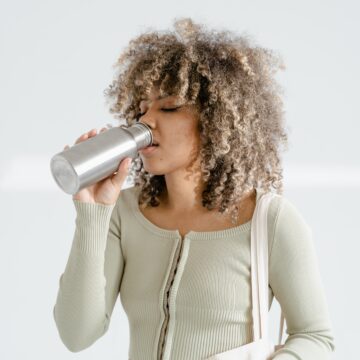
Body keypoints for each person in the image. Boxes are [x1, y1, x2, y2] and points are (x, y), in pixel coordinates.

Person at [53, 17, 336, 359]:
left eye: (169, 107)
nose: (146, 121)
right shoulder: (123, 213)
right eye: (142, 109)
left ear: (215, 120)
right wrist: (92, 212)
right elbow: (76, 334)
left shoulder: (270, 220)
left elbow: (315, 337)